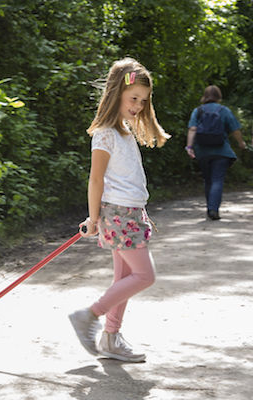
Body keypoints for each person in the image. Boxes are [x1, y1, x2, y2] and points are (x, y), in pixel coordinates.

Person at [69, 58, 170, 362]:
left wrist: (138, 209)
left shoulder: (124, 130)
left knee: (123, 279)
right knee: (144, 275)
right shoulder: (105, 133)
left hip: (130, 213)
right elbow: (96, 178)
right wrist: (93, 217)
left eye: (142, 100)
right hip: (117, 215)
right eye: (133, 98)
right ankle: (89, 315)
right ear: (117, 94)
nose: (138, 105)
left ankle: (111, 338)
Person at [185, 85, 246, 220]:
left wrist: (189, 147)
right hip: (221, 151)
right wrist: (241, 143)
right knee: (217, 180)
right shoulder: (224, 110)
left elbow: (192, 129)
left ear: (205, 96)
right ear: (219, 96)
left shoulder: (198, 111)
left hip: (202, 152)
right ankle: (214, 210)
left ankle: (210, 209)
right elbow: (235, 129)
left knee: (208, 180)